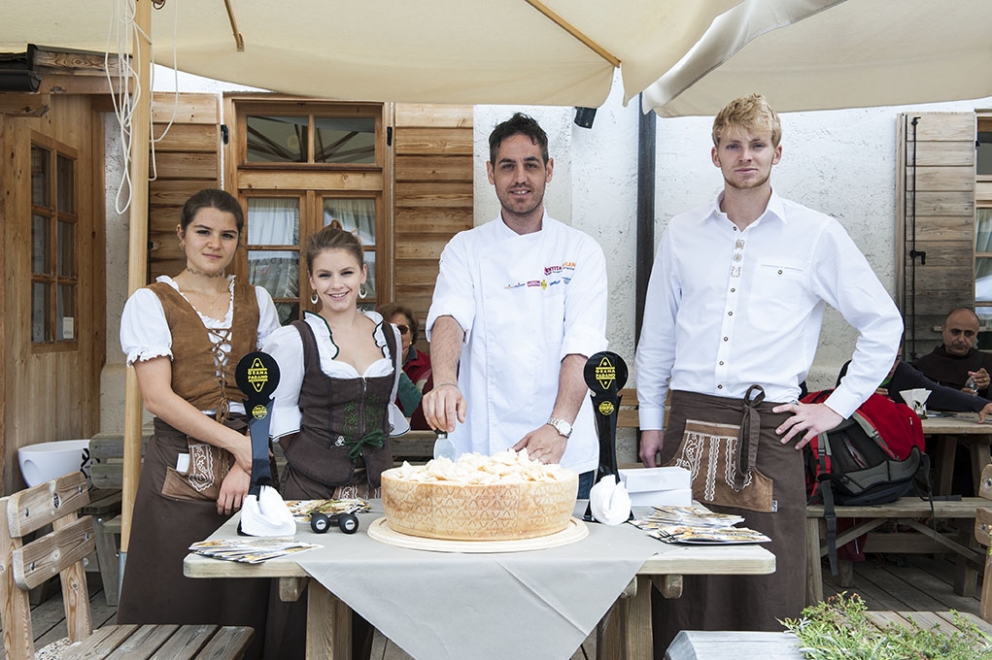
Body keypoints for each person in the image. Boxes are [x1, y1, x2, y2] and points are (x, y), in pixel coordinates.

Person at [634, 94, 903, 655]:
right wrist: (651, 423)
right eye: (733, 145)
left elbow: (883, 323)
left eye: (757, 145)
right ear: (715, 155)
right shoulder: (682, 233)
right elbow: (657, 337)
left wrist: (835, 407)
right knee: (681, 569)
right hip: (689, 421)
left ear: (777, 153)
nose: (745, 156)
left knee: (768, 577)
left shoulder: (816, 234)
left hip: (771, 428)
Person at [117, 189, 281, 660]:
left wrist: (249, 461)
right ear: (181, 235)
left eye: (227, 235)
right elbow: (158, 397)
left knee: (245, 598)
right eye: (203, 232)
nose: (215, 243)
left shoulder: (257, 300)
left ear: (238, 242)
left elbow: (268, 392)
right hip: (178, 468)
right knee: (176, 596)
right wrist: (242, 447)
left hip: (250, 461)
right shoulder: (151, 302)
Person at [421, 112, 608, 497]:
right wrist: (444, 382)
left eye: (531, 165)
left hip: (563, 452)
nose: (520, 177)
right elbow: (449, 318)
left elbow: (582, 345)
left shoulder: (581, 251)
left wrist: (558, 427)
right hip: (482, 458)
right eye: (508, 166)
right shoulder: (465, 249)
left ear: (549, 170)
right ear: (490, 172)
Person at [261, 221, 405, 660]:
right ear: (311, 283)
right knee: (306, 606)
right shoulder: (294, 339)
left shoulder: (391, 337)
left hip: (377, 494)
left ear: (364, 274)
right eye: (324, 275)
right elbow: (281, 420)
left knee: (372, 600)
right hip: (310, 492)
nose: (336, 284)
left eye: (346, 273)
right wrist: (326, 472)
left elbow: (389, 408)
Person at [377, 302, 434, 429]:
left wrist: (396, 368)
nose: (395, 335)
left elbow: (418, 413)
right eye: (388, 330)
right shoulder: (365, 363)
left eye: (401, 330)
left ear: (411, 336)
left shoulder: (427, 366)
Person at [913, 308, 992, 397]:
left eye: (968, 334)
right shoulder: (924, 365)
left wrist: (986, 387)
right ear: (944, 330)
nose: (961, 339)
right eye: (955, 332)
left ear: (976, 334)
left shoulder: (988, 363)